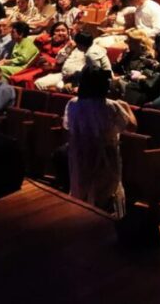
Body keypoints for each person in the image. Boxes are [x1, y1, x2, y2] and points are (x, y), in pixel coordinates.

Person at [63, 69, 136, 218]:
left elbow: (67, 128)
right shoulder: (110, 106)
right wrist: (126, 107)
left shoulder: (72, 104)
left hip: (80, 154)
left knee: (81, 191)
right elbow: (131, 127)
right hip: (104, 156)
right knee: (106, 196)